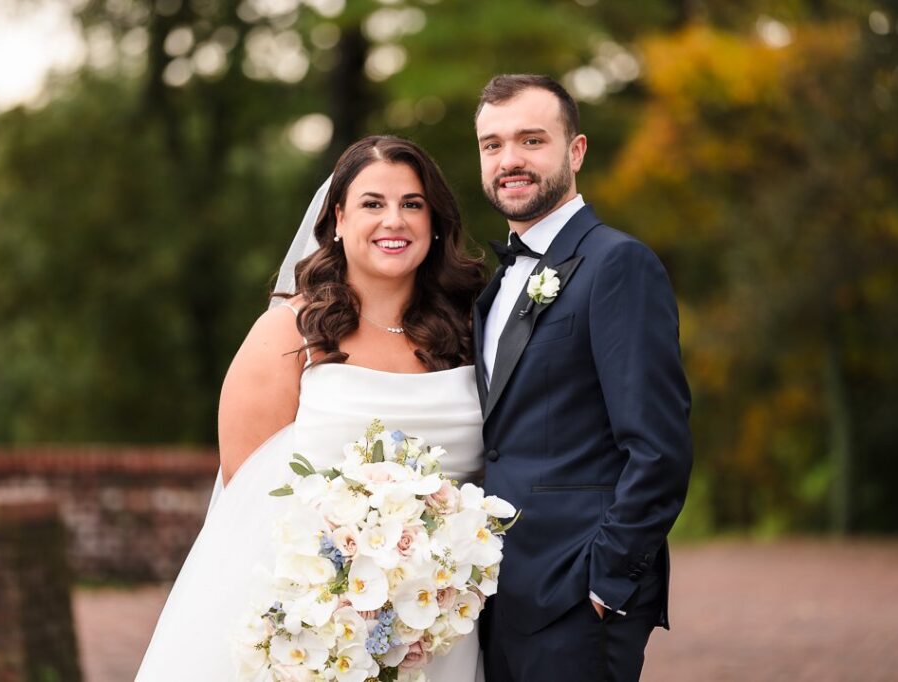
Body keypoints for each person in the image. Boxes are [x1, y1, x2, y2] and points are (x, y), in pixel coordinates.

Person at [136, 135, 487, 680]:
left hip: (442, 629)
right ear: (339, 220)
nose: (393, 220)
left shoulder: (470, 333)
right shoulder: (289, 332)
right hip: (321, 629)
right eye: (373, 204)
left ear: (435, 221)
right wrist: (335, 602)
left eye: (412, 204)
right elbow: (245, 501)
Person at [472, 74, 693, 681]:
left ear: (576, 151)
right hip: (499, 597)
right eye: (492, 145)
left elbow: (658, 447)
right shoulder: (492, 289)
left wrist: (609, 579)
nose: (509, 160)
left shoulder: (618, 264)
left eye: (531, 140)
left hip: (578, 598)